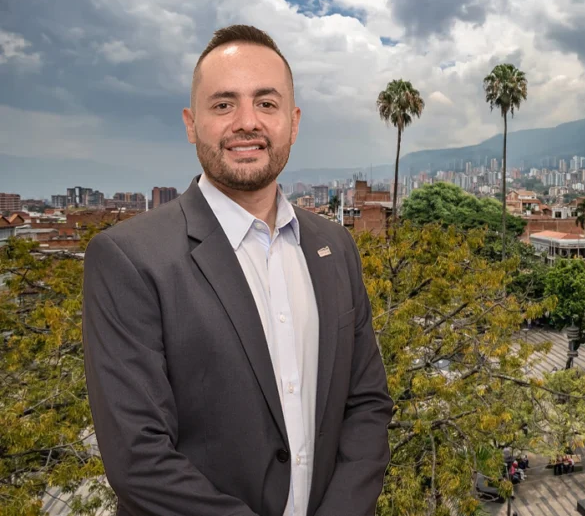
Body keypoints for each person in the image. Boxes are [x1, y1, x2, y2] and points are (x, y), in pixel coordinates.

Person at [82, 25, 393, 516]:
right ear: (191, 123)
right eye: (224, 104)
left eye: (266, 104)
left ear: (293, 121)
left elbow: (368, 404)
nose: (247, 122)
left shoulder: (335, 246)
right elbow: (139, 459)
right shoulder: (129, 259)